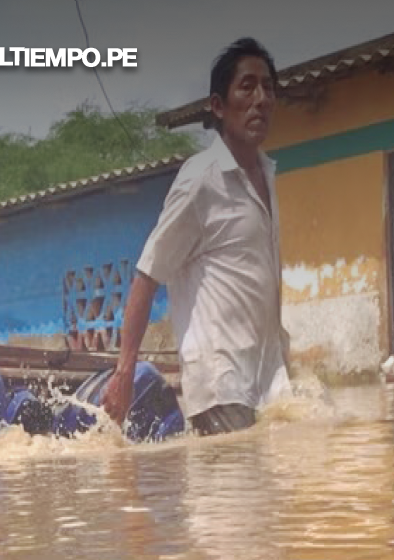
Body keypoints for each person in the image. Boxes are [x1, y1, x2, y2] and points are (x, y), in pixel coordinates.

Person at [101, 37, 292, 436]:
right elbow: (147, 275)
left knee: (272, 495)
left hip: (267, 383)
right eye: (247, 86)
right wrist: (124, 371)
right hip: (221, 384)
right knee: (233, 497)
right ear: (218, 106)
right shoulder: (200, 180)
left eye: (268, 88)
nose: (260, 98)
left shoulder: (268, 175)